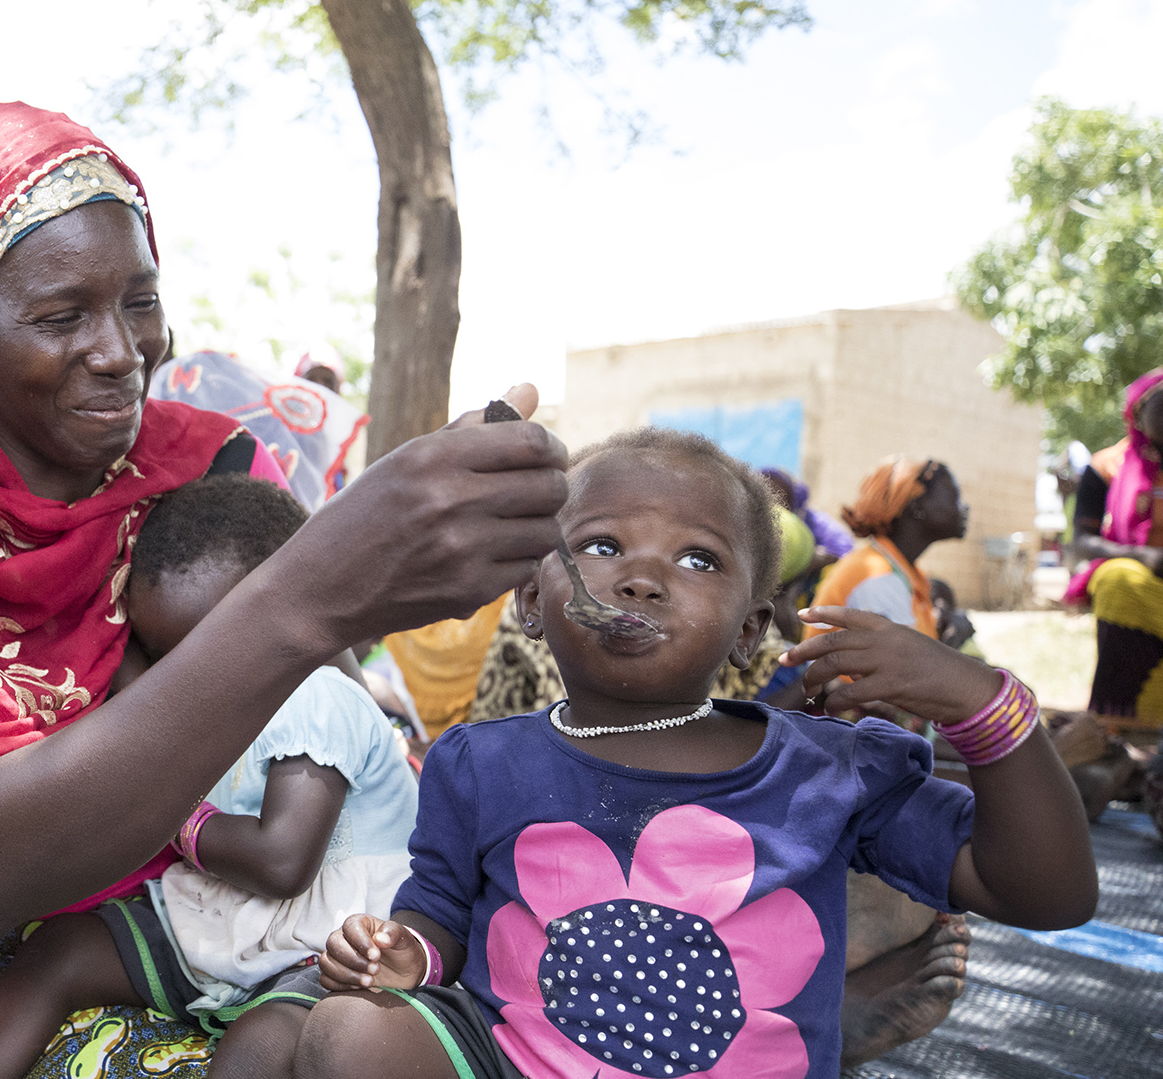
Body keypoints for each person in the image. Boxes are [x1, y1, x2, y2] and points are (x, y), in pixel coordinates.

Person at [0, 101, 568, 1079]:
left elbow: (321, 721)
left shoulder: (210, 463)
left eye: (140, 300)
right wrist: (305, 593)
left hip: (251, 917)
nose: (120, 350)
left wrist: (400, 567)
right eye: (61, 316)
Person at [296, 427, 1096, 1079]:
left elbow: (1043, 894)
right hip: (516, 1062)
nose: (642, 577)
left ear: (749, 628)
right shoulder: (480, 762)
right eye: (602, 544)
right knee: (343, 1035)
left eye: (696, 559)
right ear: (531, 602)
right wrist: (411, 953)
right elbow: (437, 914)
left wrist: (986, 709)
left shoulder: (827, 770)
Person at [0, 476, 419, 1079]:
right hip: (227, 914)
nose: (191, 681)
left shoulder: (318, 697)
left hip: (331, 937)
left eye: (211, 653)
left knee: (264, 1044)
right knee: (54, 954)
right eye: (167, 658)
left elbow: (282, 862)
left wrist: (173, 813)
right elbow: (134, 692)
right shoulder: (192, 694)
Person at [1066, 370, 1163, 733]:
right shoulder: (1106, 466)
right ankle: (1122, 722)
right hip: (1140, 579)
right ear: (1137, 416)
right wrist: (1143, 557)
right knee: (1118, 580)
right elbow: (1079, 544)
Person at [150, 348, 368, 509]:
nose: (319, 387)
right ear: (296, 383)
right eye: (312, 379)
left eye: (327, 381)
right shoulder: (267, 429)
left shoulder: (333, 447)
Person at [809, 457, 966, 641]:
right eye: (954, 495)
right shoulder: (880, 579)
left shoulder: (906, 572)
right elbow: (908, 666)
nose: (965, 507)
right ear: (917, 507)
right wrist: (955, 640)